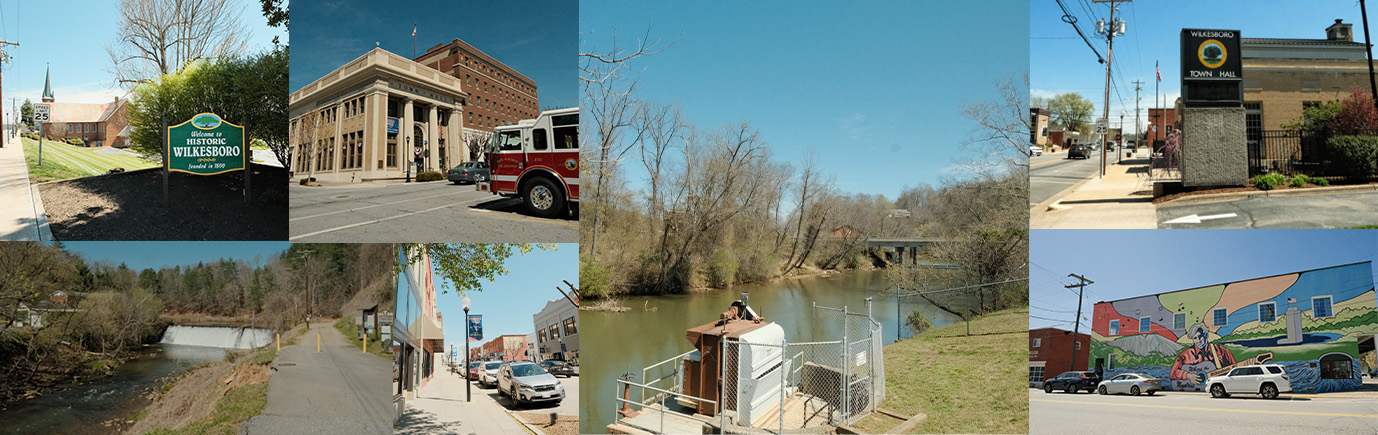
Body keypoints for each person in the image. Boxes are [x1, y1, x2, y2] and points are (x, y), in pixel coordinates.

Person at [1169, 323, 1236, 390]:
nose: (1198, 341)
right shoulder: (1185, 355)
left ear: (1206, 335)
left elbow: (1235, 369)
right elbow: (1173, 373)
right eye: (1195, 338)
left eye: (1200, 336)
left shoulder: (1222, 351)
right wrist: (1187, 375)